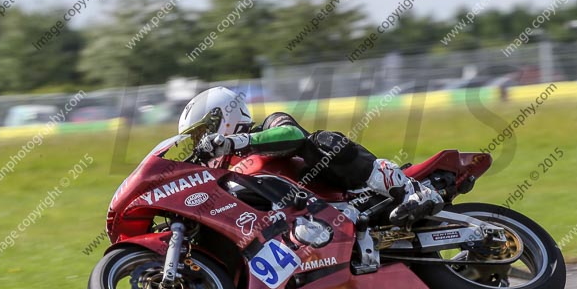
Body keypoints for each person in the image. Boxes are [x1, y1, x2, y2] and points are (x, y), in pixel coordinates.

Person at [179, 86, 443, 226]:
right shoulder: (228, 172)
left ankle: (412, 190)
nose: (199, 141)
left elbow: (292, 134)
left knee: (321, 142)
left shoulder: (268, 127)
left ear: (223, 118)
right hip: (305, 223)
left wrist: (233, 142)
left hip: (349, 195)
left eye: (201, 132)